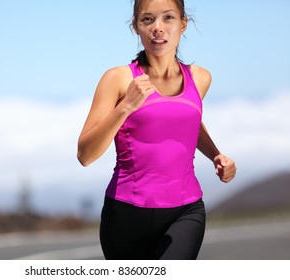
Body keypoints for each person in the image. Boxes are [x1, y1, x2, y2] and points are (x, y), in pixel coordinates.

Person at [77, 0, 236, 260]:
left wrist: (217, 155)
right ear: (136, 27)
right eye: (148, 20)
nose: (158, 28)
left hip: (185, 211)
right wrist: (126, 106)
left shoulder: (200, 78)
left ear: (183, 24)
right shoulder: (118, 79)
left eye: (168, 18)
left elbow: (185, 122)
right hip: (126, 215)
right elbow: (85, 155)